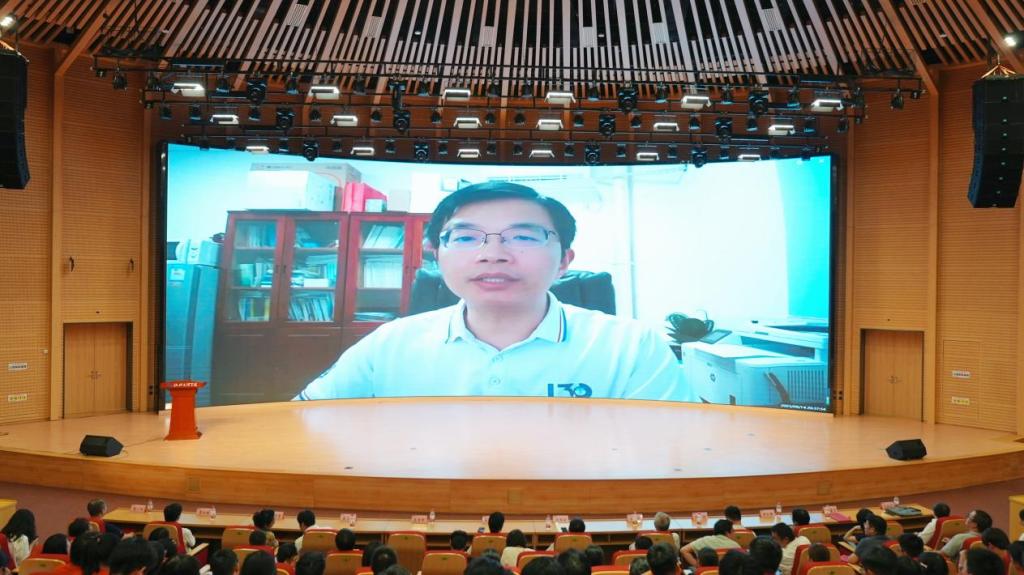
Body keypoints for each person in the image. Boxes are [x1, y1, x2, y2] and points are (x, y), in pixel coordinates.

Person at [294, 182, 680, 401]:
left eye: (524, 236)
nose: (493, 254)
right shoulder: (388, 345)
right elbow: (305, 426)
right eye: (465, 237)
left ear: (564, 261)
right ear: (436, 256)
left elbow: (673, 452)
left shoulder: (632, 348)